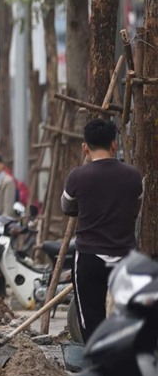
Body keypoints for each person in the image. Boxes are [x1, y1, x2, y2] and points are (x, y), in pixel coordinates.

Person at [61, 118, 142, 341]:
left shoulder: (77, 176)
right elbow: (135, 209)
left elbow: (67, 207)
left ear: (85, 146)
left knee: (91, 320)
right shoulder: (133, 176)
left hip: (89, 257)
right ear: (114, 144)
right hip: (125, 256)